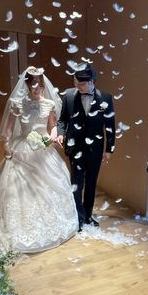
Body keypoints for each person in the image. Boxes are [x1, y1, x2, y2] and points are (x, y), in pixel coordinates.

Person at [0, 67, 79, 252]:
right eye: (33, 85)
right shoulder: (17, 103)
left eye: (39, 85)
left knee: (52, 185)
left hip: (44, 149)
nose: (37, 88)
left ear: (43, 86)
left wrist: (52, 136)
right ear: (26, 84)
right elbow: (9, 129)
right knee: (16, 190)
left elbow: (53, 126)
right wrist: (7, 146)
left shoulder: (49, 104)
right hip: (23, 149)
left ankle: (55, 224)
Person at [56, 66, 115, 229]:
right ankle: (78, 218)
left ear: (91, 82)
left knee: (91, 183)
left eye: (81, 84)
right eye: (75, 83)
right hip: (75, 147)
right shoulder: (69, 95)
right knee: (76, 184)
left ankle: (88, 216)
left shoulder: (106, 98)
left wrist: (109, 149)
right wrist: (61, 134)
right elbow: (62, 120)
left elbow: (110, 125)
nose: (77, 87)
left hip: (95, 149)